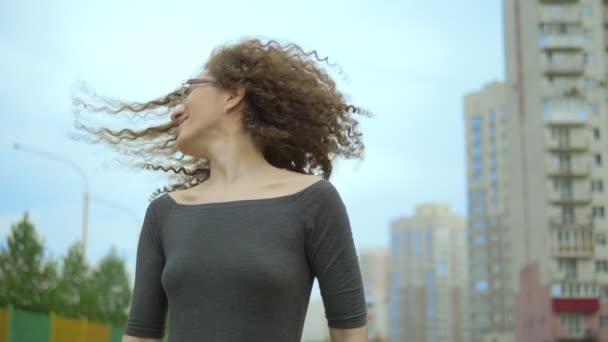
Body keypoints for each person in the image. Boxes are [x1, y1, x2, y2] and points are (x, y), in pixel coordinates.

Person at [73, 38, 370, 342]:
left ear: (233, 94)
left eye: (190, 89)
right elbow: (140, 338)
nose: (176, 111)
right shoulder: (163, 213)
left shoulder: (314, 201)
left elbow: (350, 335)